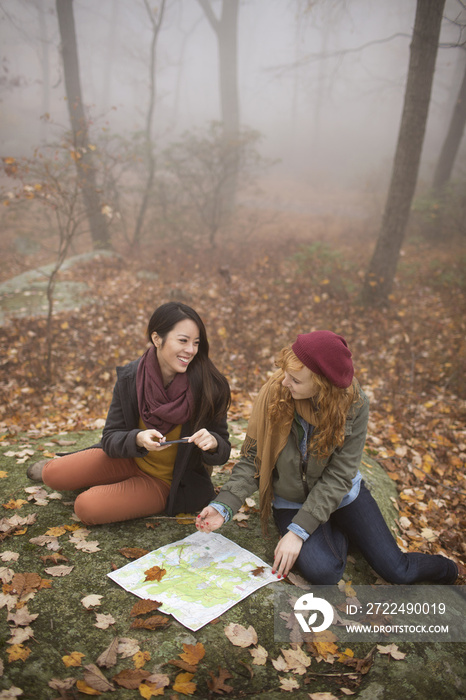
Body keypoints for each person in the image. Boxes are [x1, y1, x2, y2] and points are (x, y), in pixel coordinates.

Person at [196, 331, 463, 585]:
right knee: (324, 572)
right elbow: (254, 458)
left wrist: (298, 533)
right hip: (292, 502)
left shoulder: (355, 404)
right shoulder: (276, 394)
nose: (284, 382)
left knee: (397, 571)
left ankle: (450, 568)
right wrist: (224, 505)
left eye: (296, 380)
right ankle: (340, 530)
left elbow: (339, 476)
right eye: (286, 374)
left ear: (322, 385)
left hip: (343, 496)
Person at [29, 302, 231, 525]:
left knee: (86, 507)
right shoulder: (131, 377)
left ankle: (113, 491)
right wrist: (136, 438)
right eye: (183, 341)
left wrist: (213, 443)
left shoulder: (210, 386)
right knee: (52, 474)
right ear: (157, 339)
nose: (191, 350)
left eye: (196, 343)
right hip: (129, 458)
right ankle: (110, 483)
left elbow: (223, 451)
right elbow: (111, 437)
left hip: (165, 481)